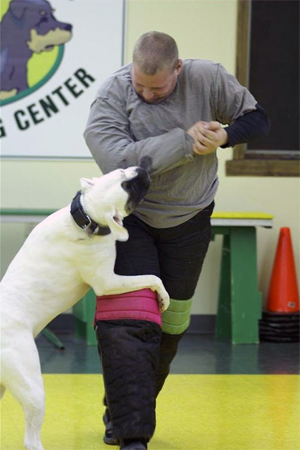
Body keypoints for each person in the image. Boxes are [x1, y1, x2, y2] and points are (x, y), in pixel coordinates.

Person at [84, 31, 270, 450]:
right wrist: (185, 142)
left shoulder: (208, 78)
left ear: (178, 70)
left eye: (159, 87)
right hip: (131, 222)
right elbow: (117, 160)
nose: (148, 95)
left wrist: (225, 136)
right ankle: (131, 431)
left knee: (171, 327)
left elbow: (258, 119)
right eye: (140, 85)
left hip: (189, 219)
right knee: (131, 325)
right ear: (130, 70)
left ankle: (124, 406)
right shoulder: (113, 92)